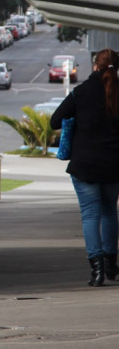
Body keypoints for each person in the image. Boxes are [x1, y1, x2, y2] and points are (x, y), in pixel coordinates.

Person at [50, 48, 119, 287]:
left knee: (90, 214)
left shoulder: (81, 93)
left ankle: (97, 270)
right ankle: (112, 264)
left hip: (85, 165)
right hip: (113, 165)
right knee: (110, 211)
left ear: (96, 66)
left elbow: (55, 120)